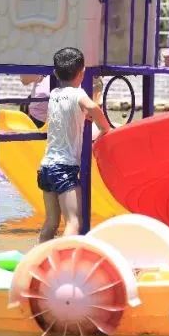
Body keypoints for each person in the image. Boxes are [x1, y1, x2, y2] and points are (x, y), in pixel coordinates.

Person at [37, 47, 112, 243]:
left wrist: (83, 115)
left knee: (51, 223)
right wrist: (105, 128)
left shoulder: (54, 94)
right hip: (64, 167)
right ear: (83, 73)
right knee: (74, 222)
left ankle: (37, 261)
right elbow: (92, 106)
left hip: (45, 167)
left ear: (55, 73)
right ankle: (64, 264)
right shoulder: (78, 94)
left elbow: (70, 113)